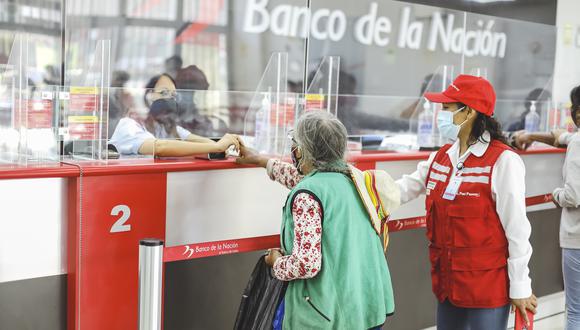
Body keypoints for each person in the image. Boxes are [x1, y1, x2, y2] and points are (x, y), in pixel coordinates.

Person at [395, 75, 537, 329]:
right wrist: (358, 188)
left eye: (447, 108)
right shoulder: (441, 157)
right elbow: (404, 188)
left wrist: (520, 287)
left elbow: (517, 230)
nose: (441, 114)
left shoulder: (502, 161)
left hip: (486, 289)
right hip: (448, 285)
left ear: (468, 111)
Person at [236, 111, 398, 329]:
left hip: (329, 314)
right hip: (364, 305)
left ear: (301, 151)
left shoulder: (307, 196)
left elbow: (306, 265)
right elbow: (300, 178)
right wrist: (260, 160)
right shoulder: (355, 179)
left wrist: (275, 262)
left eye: (295, 143)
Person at [513, 85, 580, 329]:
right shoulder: (575, 139)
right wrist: (530, 136)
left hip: (577, 240)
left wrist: (555, 194)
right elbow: (563, 136)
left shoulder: (578, 143)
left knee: (575, 311)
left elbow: (573, 196)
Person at [109, 73, 239, 156]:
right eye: (164, 93)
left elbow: (199, 141)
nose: (169, 100)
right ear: (147, 96)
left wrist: (224, 145)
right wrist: (217, 147)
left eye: (173, 96)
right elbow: (160, 147)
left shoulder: (166, 127)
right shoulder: (128, 125)